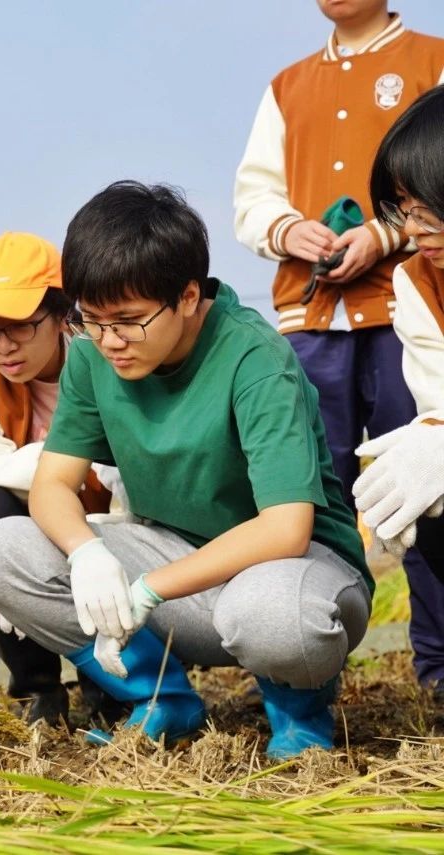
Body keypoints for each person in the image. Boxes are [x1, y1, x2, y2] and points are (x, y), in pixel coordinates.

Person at [0, 182, 372, 760]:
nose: (109, 342)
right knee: (2, 549)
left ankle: (300, 712)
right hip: (176, 566)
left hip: (293, 569)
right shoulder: (92, 353)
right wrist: (87, 555)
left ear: (188, 296)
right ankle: (159, 697)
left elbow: (287, 527)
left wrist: (145, 590)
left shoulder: (255, 360)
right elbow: (52, 484)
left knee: (270, 615)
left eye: (129, 320)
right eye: (92, 320)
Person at [233, 0, 444, 691]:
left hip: (397, 308)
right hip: (313, 316)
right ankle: (311, 666)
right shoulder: (287, 85)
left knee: (419, 490)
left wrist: (386, 235)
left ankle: (435, 667)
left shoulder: (430, 59)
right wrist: (288, 230)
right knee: (313, 496)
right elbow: (251, 197)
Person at [0, 232, 116, 726]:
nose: (3, 347)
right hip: (25, 507)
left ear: (61, 314)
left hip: (103, 516)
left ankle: (109, 685)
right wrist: (68, 463)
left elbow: (124, 471)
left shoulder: (104, 351)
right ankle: (36, 688)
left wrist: (57, 471)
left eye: (21, 327)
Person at [354, 85, 444, 700]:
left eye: (424, 204)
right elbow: (437, 395)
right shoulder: (418, 280)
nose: (411, 229)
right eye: (402, 207)